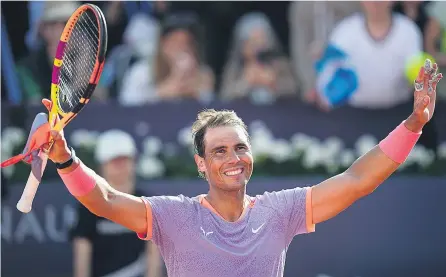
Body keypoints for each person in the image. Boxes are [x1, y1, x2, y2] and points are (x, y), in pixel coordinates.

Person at [40, 61, 441, 277]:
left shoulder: (279, 211)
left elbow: (356, 181)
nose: (232, 158)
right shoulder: (174, 216)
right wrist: (63, 157)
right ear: (200, 163)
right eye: (219, 151)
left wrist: (414, 125)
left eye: (239, 147)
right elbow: (105, 200)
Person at [69, 130, 164, 277]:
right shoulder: (89, 205)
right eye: (114, 161)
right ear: (102, 165)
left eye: (124, 160)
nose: (120, 166)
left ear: (134, 161)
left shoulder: (148, 203)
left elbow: (154, 254)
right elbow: (82, 253)